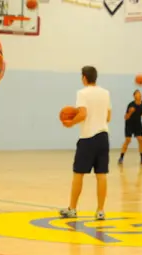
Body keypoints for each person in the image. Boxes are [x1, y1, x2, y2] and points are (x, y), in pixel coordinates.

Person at [60, 65, 111, 221]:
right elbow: (108, 117)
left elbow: (83, 113)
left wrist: (71, 123)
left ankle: (72, 209)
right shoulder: (105, 93)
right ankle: (100, 210)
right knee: (101, 174)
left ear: (84, 77)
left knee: (78, 174)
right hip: (103, 136)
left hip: (88, 138)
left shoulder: (82, 93)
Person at [119, 89, 142, 166]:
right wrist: (130, 112)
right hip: (129, 124)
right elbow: (126, 117)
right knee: (128, 140)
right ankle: (121, 158)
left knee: (140, 140)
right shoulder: (131, 105)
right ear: (134, 96)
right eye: (138, 94)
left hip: (138, 124)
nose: (140, 95)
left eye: (140, 93)